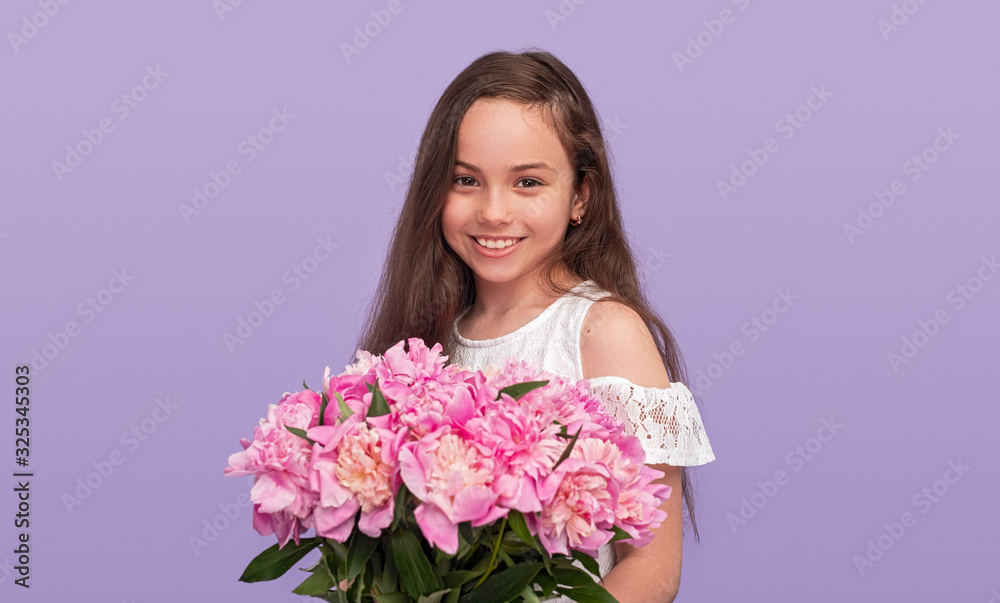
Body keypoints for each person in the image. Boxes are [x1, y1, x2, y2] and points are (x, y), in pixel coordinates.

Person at [355, 48, 715, 603]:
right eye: (465, 180)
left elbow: (653, 569)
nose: (494, 212)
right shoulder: (429, 342)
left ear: (581, 196)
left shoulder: (604, 333)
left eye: (527, 183)